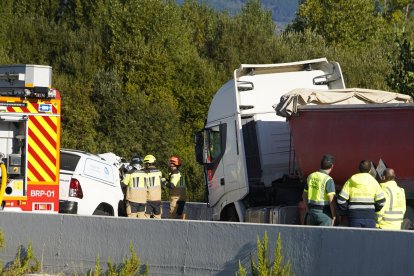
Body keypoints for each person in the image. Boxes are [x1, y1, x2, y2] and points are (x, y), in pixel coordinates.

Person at [337, 160, 386, 228]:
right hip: (370, 216)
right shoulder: (374, 182)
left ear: (358, 169)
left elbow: (341, 200)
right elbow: (381, 201)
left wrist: (348, 210)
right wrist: (374, 209)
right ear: (370, 171)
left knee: (355, 238)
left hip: (354, 216)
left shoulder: (351, 181)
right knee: (369, 238)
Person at [302, 154, 337, 226]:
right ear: (332, 166)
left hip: (312, 212)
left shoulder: (311, 176)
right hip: (324, 214)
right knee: (324, 236)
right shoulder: (328, 179)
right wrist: (334, 216)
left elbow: (304, 195)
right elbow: (331, 200)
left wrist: (308, 209)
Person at [143, 154, 163, 219]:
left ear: (148, 164)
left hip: (148, 199)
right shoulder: (159, 172)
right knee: (157, 217)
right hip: (158, 200)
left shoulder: (144, 173)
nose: (144, 165)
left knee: (145, 218)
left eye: (145, 164)